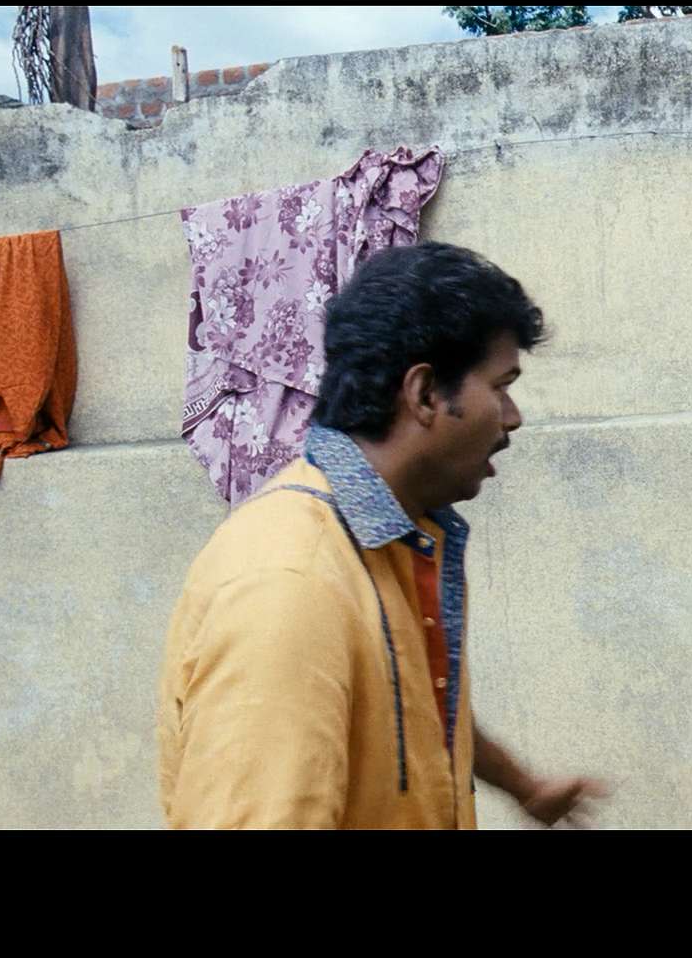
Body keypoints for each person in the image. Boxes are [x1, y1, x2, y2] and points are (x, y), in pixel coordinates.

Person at [157, 241, 607, 828]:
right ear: (424, 394)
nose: (513, 416)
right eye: (500, 386)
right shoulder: (290, 584)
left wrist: (523, 786)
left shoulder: (399, 532)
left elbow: (411, 700)